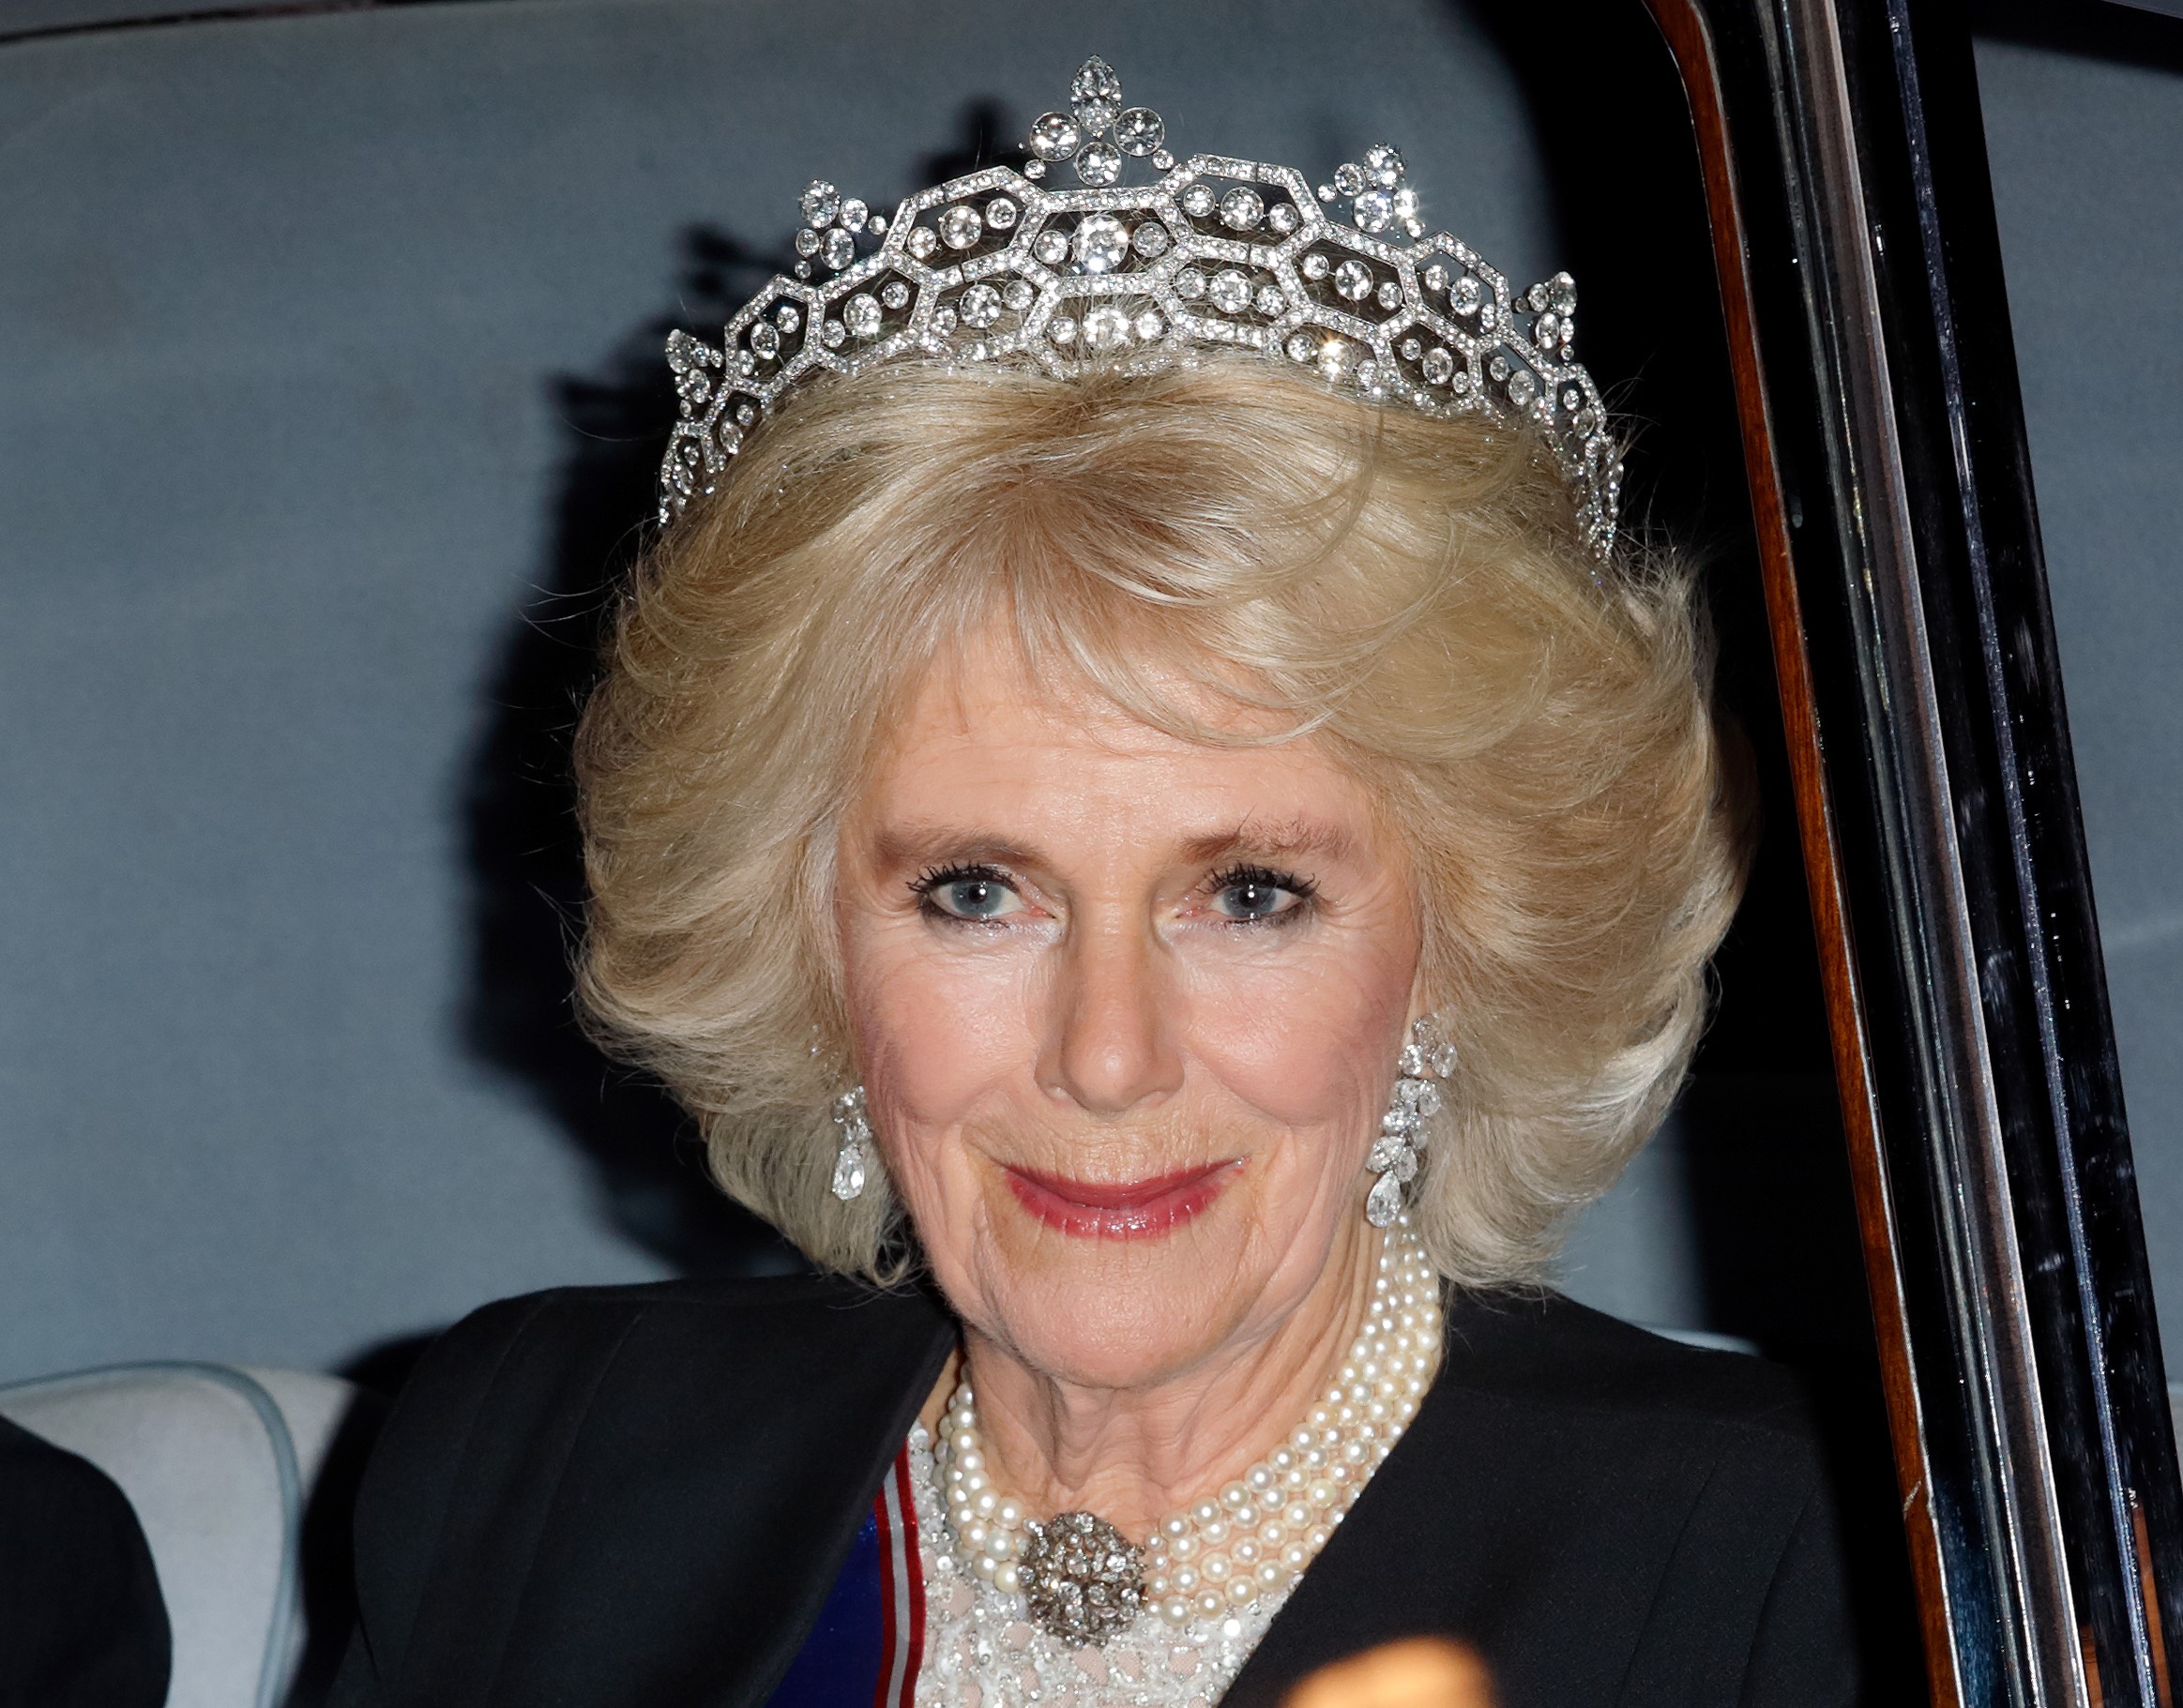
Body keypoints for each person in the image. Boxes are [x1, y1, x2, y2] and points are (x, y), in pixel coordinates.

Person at [330, 56, 1857, 1708]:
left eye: (1252, 893)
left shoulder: (1806, 1569)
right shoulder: (536, 1465)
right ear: (811, 940)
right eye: (979, 892)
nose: (1105, 1053)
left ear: (1455, 954)